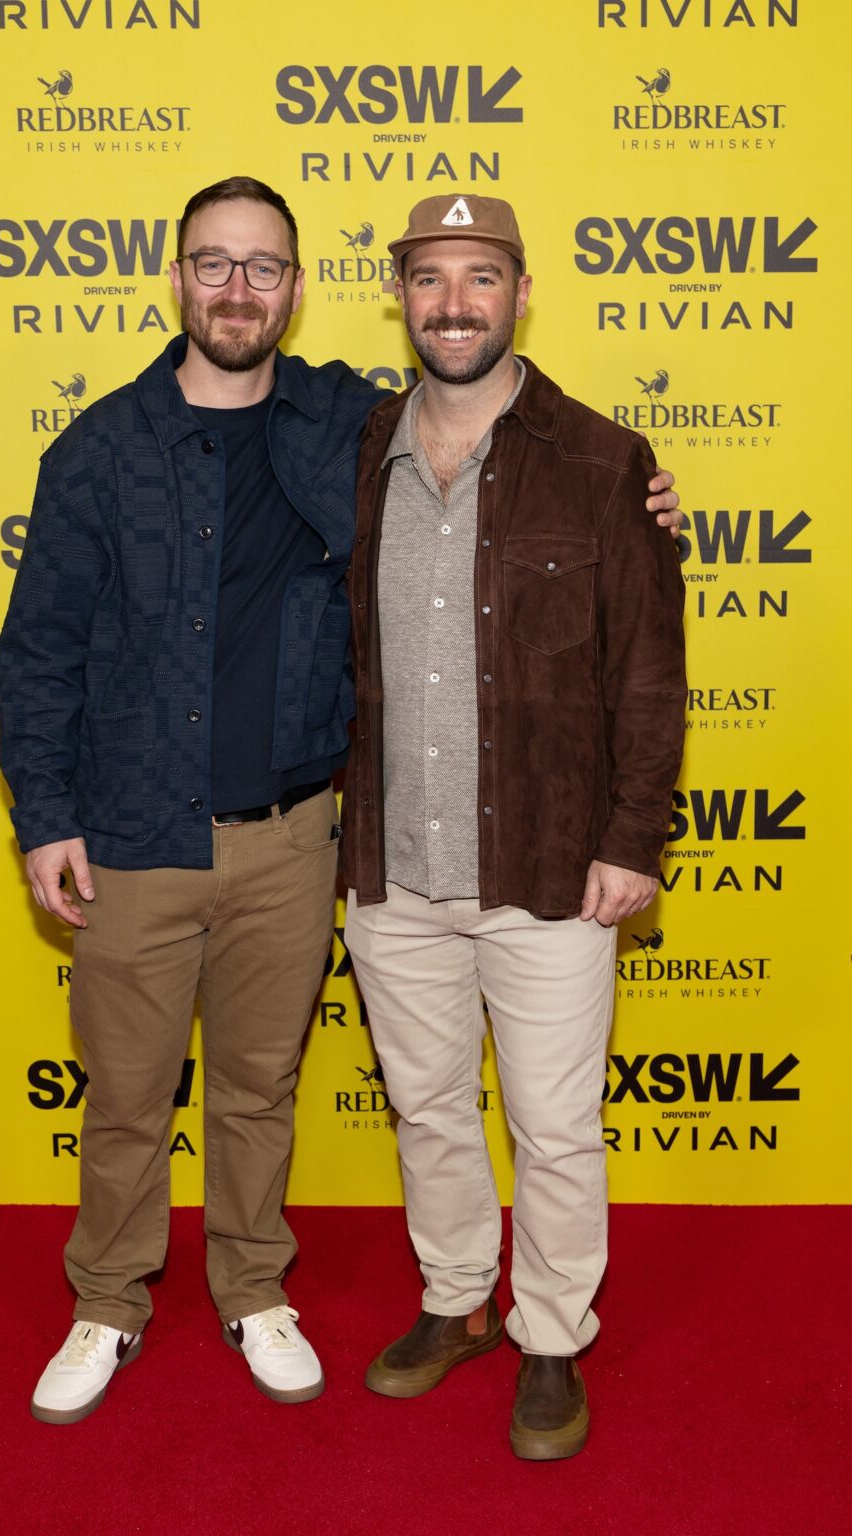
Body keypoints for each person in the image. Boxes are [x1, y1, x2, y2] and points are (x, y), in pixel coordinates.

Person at [0, 177, 682, 1426]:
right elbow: (36, 647)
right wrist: (45, 811)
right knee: (139, 1099)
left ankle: (313, 1301)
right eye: (215, 264)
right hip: (163, 833)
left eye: (263, 268)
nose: (238, 290)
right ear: (179, 280)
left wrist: (650, 506)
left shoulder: (361, 425)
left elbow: (629, 630)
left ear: (299, 292)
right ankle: (112, 1305)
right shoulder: (116, 447)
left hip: (322, 840)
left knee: (279, 1095)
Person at [340, 192, 687, 1460]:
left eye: (477, 277)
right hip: (392, 866)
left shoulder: (604, 461)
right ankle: (453, 1302)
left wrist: (631, 838)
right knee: (426, 1108)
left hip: (549, 861)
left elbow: (652, 675)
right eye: (429, 279)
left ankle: (549, 1334)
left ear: (519, 291)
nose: (452, 303)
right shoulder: (357, 444)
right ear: (402, 298)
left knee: (552, 1124)